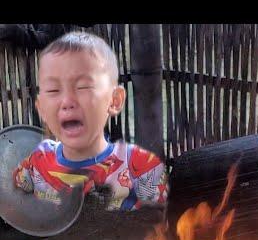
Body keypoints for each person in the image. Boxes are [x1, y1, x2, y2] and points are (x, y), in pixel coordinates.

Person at [13, 31, 168, 211]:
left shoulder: (142, 166)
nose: (67, 102)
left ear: (114, 100)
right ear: (42, 108)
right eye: (54, 90)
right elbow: (13, 195)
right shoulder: (38, 160)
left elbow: (168, 223)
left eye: (83, 87)